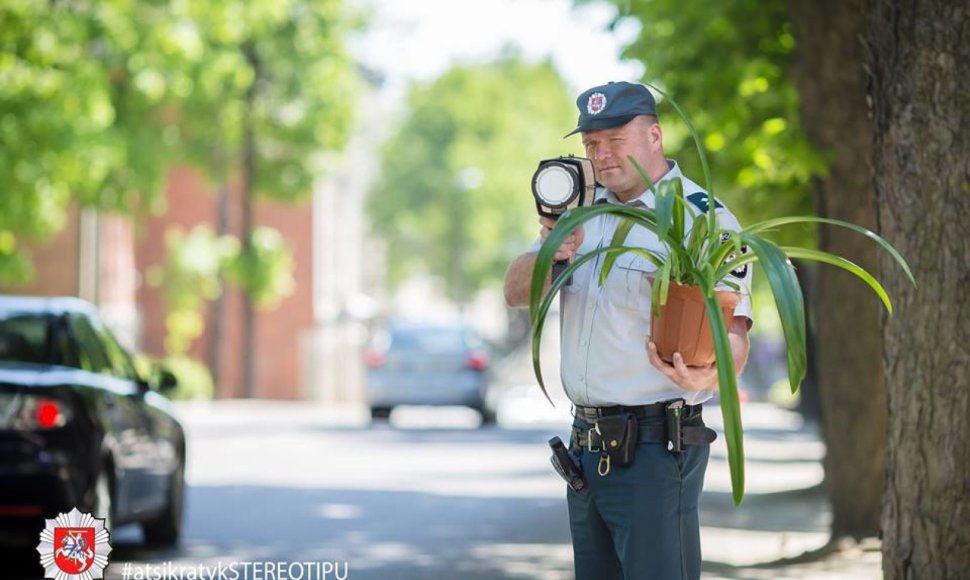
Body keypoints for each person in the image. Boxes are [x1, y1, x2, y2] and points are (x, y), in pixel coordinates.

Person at [503, 81, 754, 580]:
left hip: (655, 449)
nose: (601, 155)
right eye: (591, 145)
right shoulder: (580, 209)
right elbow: (513, 291)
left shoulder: (701, 219)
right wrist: (554, 246)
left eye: (615, 140)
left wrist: (705, 376)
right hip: (586, 446)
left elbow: (735, 336)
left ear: (655, 135)